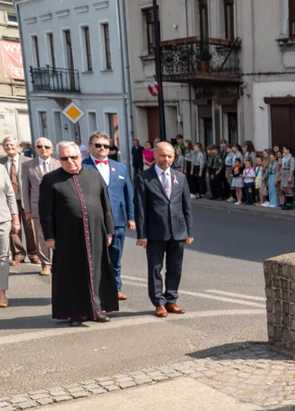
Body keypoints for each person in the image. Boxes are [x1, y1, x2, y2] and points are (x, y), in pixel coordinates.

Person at [39, 141, 117, 324]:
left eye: (73, 157)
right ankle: (74, 313)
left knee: (96, 272)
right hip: (67, 235)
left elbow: (106, 206)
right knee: (71, 274)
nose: (70, 162)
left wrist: (109, 230)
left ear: (80, 156)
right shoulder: (50, 179)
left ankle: (96, 310)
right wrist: (49, 236)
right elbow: (45, 211)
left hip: (96, 232)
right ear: (59, 159)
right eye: (64, 158)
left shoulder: (93, 175)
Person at [134, 142, 194, 318]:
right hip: (155, 232)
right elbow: (140, 207)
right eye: (162, 155)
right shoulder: (144, 177)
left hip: (178, 231)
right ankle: (158, 303)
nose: (166, 159)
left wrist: (189, 231)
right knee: (155, 268)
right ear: (155, 155)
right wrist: (142, 234)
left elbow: (186, 206)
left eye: (169, 156)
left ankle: (171, 300)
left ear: (173, 157)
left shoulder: (180, 177)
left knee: (175, 268)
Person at [83, 131, 135, 301]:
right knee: (95, 256)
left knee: (115, 256)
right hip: (95, 220)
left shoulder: (120, 167)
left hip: (117, 219)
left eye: (106, 146)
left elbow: (129, 194)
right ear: (90, 146)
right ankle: (95, 289)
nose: (102, 148)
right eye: (98, 145)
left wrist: (131, 217)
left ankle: (116, 287)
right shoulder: (83, 167)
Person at [21, 138, 60, 277]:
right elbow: (25, 189)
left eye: (46, 146)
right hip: (37, 206)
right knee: (41, 236)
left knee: (58, 235)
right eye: (40, 146)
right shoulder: (28, 166)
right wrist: (27, 209)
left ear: (52, 149)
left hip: (57, 206)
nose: (43, 149)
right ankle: (46, 265)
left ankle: (58, 263)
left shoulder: (59, 164)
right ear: (36, 149)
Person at [0, 156, 20, 309]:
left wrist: (15, 218)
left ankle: (1, 292)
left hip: (1, 217)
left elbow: (9, 194)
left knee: (2, 256)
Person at [0, 137, 34, 268]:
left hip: (26, 199)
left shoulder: (28, 161)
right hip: (8, 201)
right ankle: (18, 254)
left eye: (12, 145)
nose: (9, 147)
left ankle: (33, 254)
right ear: (3, 147)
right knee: (13, 228)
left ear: (18, 147)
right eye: (6, 145)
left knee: (31, 227)